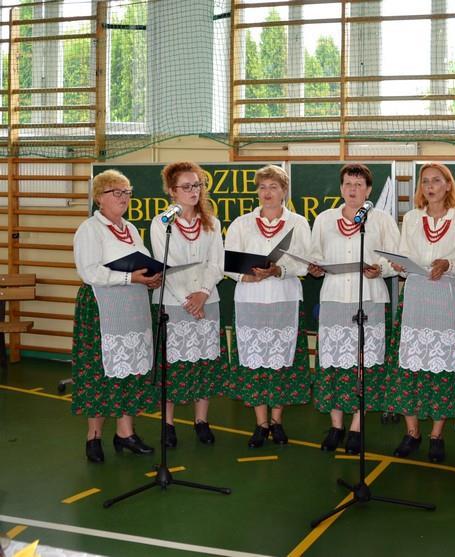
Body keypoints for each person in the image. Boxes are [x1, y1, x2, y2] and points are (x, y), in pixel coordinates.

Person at [308, 163, 400, 454]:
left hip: (369, 298)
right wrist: (314, 267)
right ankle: (336, 426)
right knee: (333, 363)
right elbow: (314, 255)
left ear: (369, 190)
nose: (352, 190)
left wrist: (381, 269)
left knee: (365, 364)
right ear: (341, 187)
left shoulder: (382, 220)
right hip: (334, 298)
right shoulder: (324, 219)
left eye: (359, 185)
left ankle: (357, 427)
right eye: (348, 184)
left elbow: (395, 258)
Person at [384, 163, 455, 463]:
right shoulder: (411, 218)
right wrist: (399, 263)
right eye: (425, 182)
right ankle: (412, 432)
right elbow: (402, 252)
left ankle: (436, 434)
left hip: (445, 298)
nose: (430, 186)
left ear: (449, 185)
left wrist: (447, 264)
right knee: (409, 368)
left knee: (442, 369)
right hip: (416, 297)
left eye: (437, 181)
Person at [72, 169, 159, 463]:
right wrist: (130, 278)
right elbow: (89, 272)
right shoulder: (90, 229)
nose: (123, 198)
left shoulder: (131, 229)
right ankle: (93, 436)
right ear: (99, 198)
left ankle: (125, 433)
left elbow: (140, 265)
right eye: (116, 192)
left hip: (133, 308)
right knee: (100, 370)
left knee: (130, 368)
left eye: (127, 192)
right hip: (102, 309)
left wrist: (151, 276)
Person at [224, 164, 312, 448]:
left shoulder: (298, 222)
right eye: (262, 187)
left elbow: (304, 262)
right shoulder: (241, 223)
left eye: (273, 187)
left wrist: (278, 270)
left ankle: (277, 421)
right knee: (254, 361)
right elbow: (229, 262)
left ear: (284, 191)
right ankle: (260, 424)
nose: (267, 192)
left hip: (284, 299)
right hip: (250, 300)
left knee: (281, 361)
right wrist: (246, 274)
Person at [149, 162, 227, 448]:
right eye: (186, 186)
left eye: (197, 185)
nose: (194, 191)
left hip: (207, 302)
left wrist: (203, 294)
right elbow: (165, 265)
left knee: (204, 362)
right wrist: (187, 300)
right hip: (173, 303)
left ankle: (201, 420)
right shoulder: (162, 223)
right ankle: (167, 424)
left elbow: (217, 263)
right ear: (172, 191)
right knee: (173, 366)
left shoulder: (212, 222)